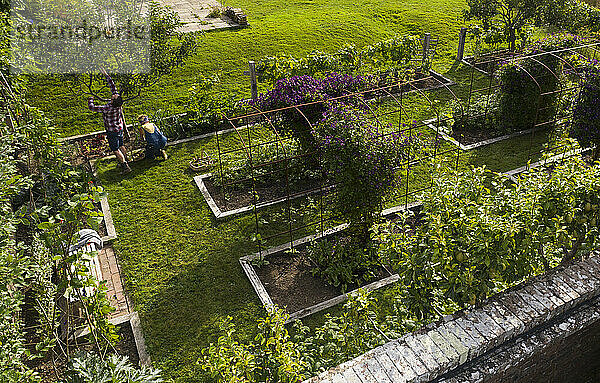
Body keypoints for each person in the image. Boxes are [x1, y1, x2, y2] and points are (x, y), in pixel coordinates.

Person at [87, 68, 131, 174]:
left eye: (114, 96)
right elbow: (113, 87)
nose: (114, 94)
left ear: (113, 100)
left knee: (115, 148)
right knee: (121, 145)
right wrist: (106, 75)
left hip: (112, 131)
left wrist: (90, 99)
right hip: (119, 128)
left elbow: (92, 108)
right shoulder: (118, 103)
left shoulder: (108, 108)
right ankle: (127, 159)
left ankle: (125, 166)